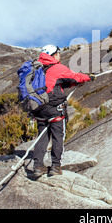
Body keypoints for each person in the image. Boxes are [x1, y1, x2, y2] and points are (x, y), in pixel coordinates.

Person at [31, 44, 94, 178]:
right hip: (55, 109)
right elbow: (74, 77)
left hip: (39, 109)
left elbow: (57, 82)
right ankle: (55, 166)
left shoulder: (37, 69)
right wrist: (88, 77)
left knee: (42, 138)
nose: (60, 56)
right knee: (58, 137)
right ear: (54, 55)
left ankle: (38, 166)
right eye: (58, 53)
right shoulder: (57, 67)